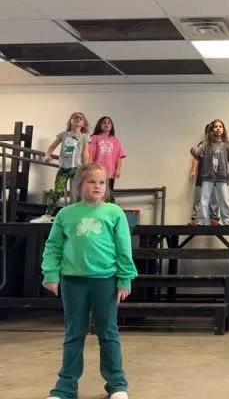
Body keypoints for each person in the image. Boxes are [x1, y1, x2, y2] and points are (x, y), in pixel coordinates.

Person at [41, 163, 137, 399]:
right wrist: (50, 274)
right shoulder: (65, 214)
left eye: (102, 182)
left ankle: (117, 385)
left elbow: (124, 247)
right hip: (73, 281)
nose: (97, 186)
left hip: (106, 281)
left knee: (108, 332)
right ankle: (65, 388)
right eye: (91, 181)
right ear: (79, 185)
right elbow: (53, 246)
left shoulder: (114, 213)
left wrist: (125, 278)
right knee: (74, 333)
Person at [31, 112, 92, 223]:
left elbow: (85, 153)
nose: (78, 119)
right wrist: (48, 155)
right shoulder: (64, 135)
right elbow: (52, 146)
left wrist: (86, 167)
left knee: (75, 194)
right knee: (58, 191)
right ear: (70, 121)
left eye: (81, 118)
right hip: (64, 168)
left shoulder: (85, 137)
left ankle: (76, 216)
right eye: (75, 117)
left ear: (83, 124)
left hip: (77, 169)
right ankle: (47, 216)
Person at [191, 119, 229, 225]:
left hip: (222, 177)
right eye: (216, 127)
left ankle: (227, 220)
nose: (218, 128)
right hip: (208, 177)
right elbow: (198, 153)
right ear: (212, 130)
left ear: (223, 129)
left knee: (224, 199)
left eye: (220, 126)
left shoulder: (227, 145)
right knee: (204, 200)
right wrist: (194, 151)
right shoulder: (205, 144)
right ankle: (201, 220)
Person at [90, 116, 126, 203]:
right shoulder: (94, 138)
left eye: (109, 122)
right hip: (97, 171)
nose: (107, 124)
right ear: (100, 125)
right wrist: (90, 168)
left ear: (111, 126)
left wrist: (118, 169)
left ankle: (108, 209)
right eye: (104, 122)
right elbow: (90, 154)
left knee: (108, 194)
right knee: (98, 193)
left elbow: (119, 156)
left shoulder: (115, 140)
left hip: (110, 172)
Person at [188, 122, 216, 225]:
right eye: (209, 132)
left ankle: (214, 218)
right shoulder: (202, 145)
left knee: (214, 199)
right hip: (202, 177)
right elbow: (196, 158)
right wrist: (193, 170)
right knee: (198, 198)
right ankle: (196, 218)